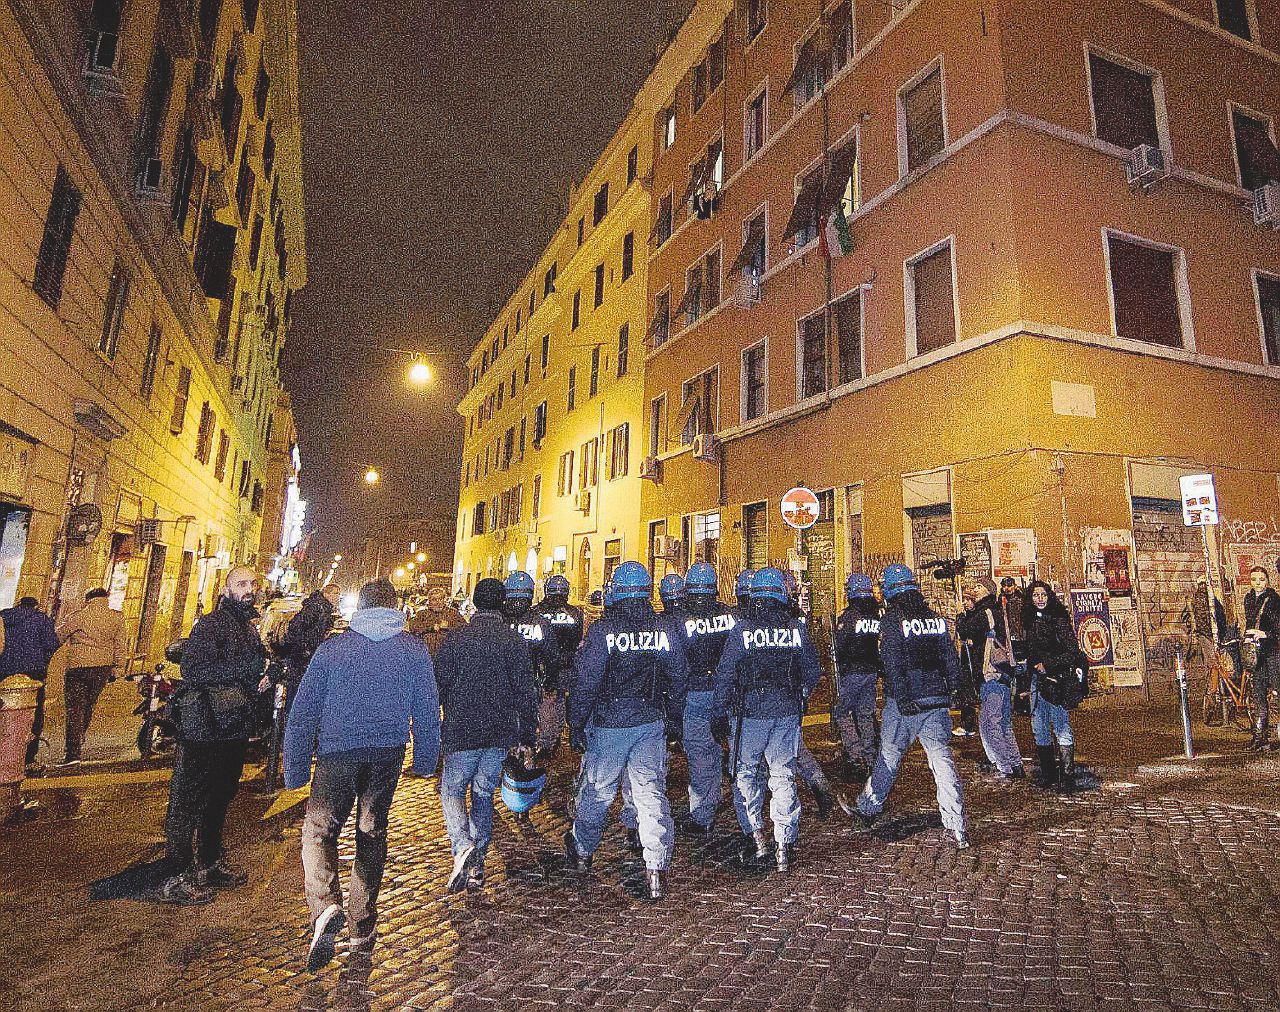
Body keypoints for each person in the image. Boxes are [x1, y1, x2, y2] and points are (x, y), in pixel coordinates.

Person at [284, 578, 440, 971]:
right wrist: (425, 760)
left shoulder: (333, 649)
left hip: (337, 752)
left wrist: (296, 769)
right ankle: (361, 926)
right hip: (386, 753)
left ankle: (324, 907)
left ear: (361, 608)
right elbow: (426, 710)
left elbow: (303, 713)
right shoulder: (413, 649)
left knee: (319, 832)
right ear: (394, 607)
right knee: (371, 833)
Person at [565, 561, 687, 901]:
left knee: (598, 792)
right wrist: (675, 718)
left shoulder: (604, 631)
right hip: (650, 722)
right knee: (650, 794)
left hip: (610, 724)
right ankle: (656, 869)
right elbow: (678, 676)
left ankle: (582, 851)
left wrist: (576, 723)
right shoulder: (663, 629)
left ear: (615, 592)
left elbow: (587, 681)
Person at [843, 564, 969, 849]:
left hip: (905, 703)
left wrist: (901, 697)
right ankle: (957, 824)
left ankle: (868, 807)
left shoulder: (891, 620)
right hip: (936, 700)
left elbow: (892, 663)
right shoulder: (936, 620)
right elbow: (950, 659)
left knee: (889, 757)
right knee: (942, 760)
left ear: (891, 591)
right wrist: (955, 690)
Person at [159, 567, 264, 905]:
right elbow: (195, 670)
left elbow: (248, 671)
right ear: (227, 589)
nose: (248, 590)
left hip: (231, 726)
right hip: (204, 727)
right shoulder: (213, 624)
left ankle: (209, 863)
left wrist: (260, 677)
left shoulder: (246, 627)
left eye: (252, 584)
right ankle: (176, 876)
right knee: (187, 802)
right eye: (241, 584)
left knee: (219, 797)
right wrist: (244, 672)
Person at [713, 567, 822, 872]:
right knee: (783, 774)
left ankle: (756, 835)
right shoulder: (796, 629)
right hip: (786, 711)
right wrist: (799, 695)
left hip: (750, 714)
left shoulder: (743, 630)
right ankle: (785, 844)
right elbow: (812, 671)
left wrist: (718, 712)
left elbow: (725, 674)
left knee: (745, 773)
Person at [433, 578, 537, 892]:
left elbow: (438, 685)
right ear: (502, 603)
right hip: (499, 732)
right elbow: (525, 691)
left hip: (462, 730)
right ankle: (477, 867)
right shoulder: (513, 640)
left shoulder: (455, 639)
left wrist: (428, 727)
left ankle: (462, 845)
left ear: (475, 603)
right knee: (482, 795)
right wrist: (527, 736)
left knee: (451, 792)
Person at [673, 562, 736, 836]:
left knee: (701, 754)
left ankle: (703, 814)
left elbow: (674, 664)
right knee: (738, 749)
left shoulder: (679, 620)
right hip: (726, 692)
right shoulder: (730, 616)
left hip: (695, 693)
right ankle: (745, 807)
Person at [957, 577, 1024, 779]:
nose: (975, 590)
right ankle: (1015, 763)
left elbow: (965, 630)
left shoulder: (986, 612)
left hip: (992, 674)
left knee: (991, 723)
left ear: (988, 591)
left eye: (979, 587)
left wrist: (961, 613)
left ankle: (1005, 766)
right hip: (1001, 674)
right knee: (1003, 723)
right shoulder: (993, 611)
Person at [55, 587, 126, 765]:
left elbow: (59, 636)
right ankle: (79, 736)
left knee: (75, 708)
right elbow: (120, 645)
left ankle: (73, 753)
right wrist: (118, 667)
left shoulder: (78, 616)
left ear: (88, 600)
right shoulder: (116, 618)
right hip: (102, 667)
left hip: (78, 666)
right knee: (88, 704)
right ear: (105, 599)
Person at [1023, 581, 1079, 789]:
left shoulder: (1058, 621)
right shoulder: (1029, 621)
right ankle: (1048, 774)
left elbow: (1072, 652)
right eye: (1036, 595)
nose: (1040, 599)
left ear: (1049, 597)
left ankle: (1067, 776)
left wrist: (1048, 664)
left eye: (1043, 595)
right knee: (1039, 727)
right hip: (1037, 681)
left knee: (1061, 725)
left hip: (1056, 681)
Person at [501, 572, 563, 758]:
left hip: (502, 680)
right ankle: (526, 754)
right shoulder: (540, 622)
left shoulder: (501, 621)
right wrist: (551, 682)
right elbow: (552, 656)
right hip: (529, 681)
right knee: (528, 719)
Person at [832, 574, 882, 784]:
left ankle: (856, 754)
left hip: (851, 672)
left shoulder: (849, 617)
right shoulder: (875, 615)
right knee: (865, 714)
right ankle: (870, 756)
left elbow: (840, 646)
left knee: (842, 712)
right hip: (870, 671)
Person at [0, 596, 61, 766]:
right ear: (35, 606)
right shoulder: (41, 619)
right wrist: (42, 660)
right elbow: (52, 643)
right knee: (32, 714)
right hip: (33, 673)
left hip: (4, 671)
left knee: (4, 710)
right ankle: (27, 756)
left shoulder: (3, 617)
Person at [529, 574, 583, 762]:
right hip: (564, 665)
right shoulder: (575, 613)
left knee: (543, 702)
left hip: (538, 664)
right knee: (556, 701)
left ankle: (543, 740)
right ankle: (552, 737)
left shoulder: (535, 612)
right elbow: (576, 639)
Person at [1242, 566, 1280, 752]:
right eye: (1254, 579)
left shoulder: (1274, 600)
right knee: (1258, 697)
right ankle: (1260, 738)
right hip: (1256, 655)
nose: (1258, 583)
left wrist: (1265, 633)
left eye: (1262, 579)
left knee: (1278, 694)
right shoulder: (1249, 598)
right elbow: (1249, 623)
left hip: (1272, 653)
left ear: (1267, 581)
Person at [408, 585, 467, 656]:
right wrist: (431, 626)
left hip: (448, 654)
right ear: (429, 601)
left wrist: (449, 625)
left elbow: (465, 628)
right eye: (434, 600)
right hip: (427, 654)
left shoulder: (453, 613)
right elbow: (413, 627)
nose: (438, 602)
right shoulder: (422, 614)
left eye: (440, 599)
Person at [1000, 578, 1030, 712]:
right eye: (1005, 586)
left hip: (1020, 640)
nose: (1007, 588)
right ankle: (1014, 702)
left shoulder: (1021, 599)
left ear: (1014, 586)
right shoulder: (1000, 600)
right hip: (1008, 640)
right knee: (1012, 671)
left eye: (1009, 585)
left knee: (1022, 671)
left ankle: (1021, 703)